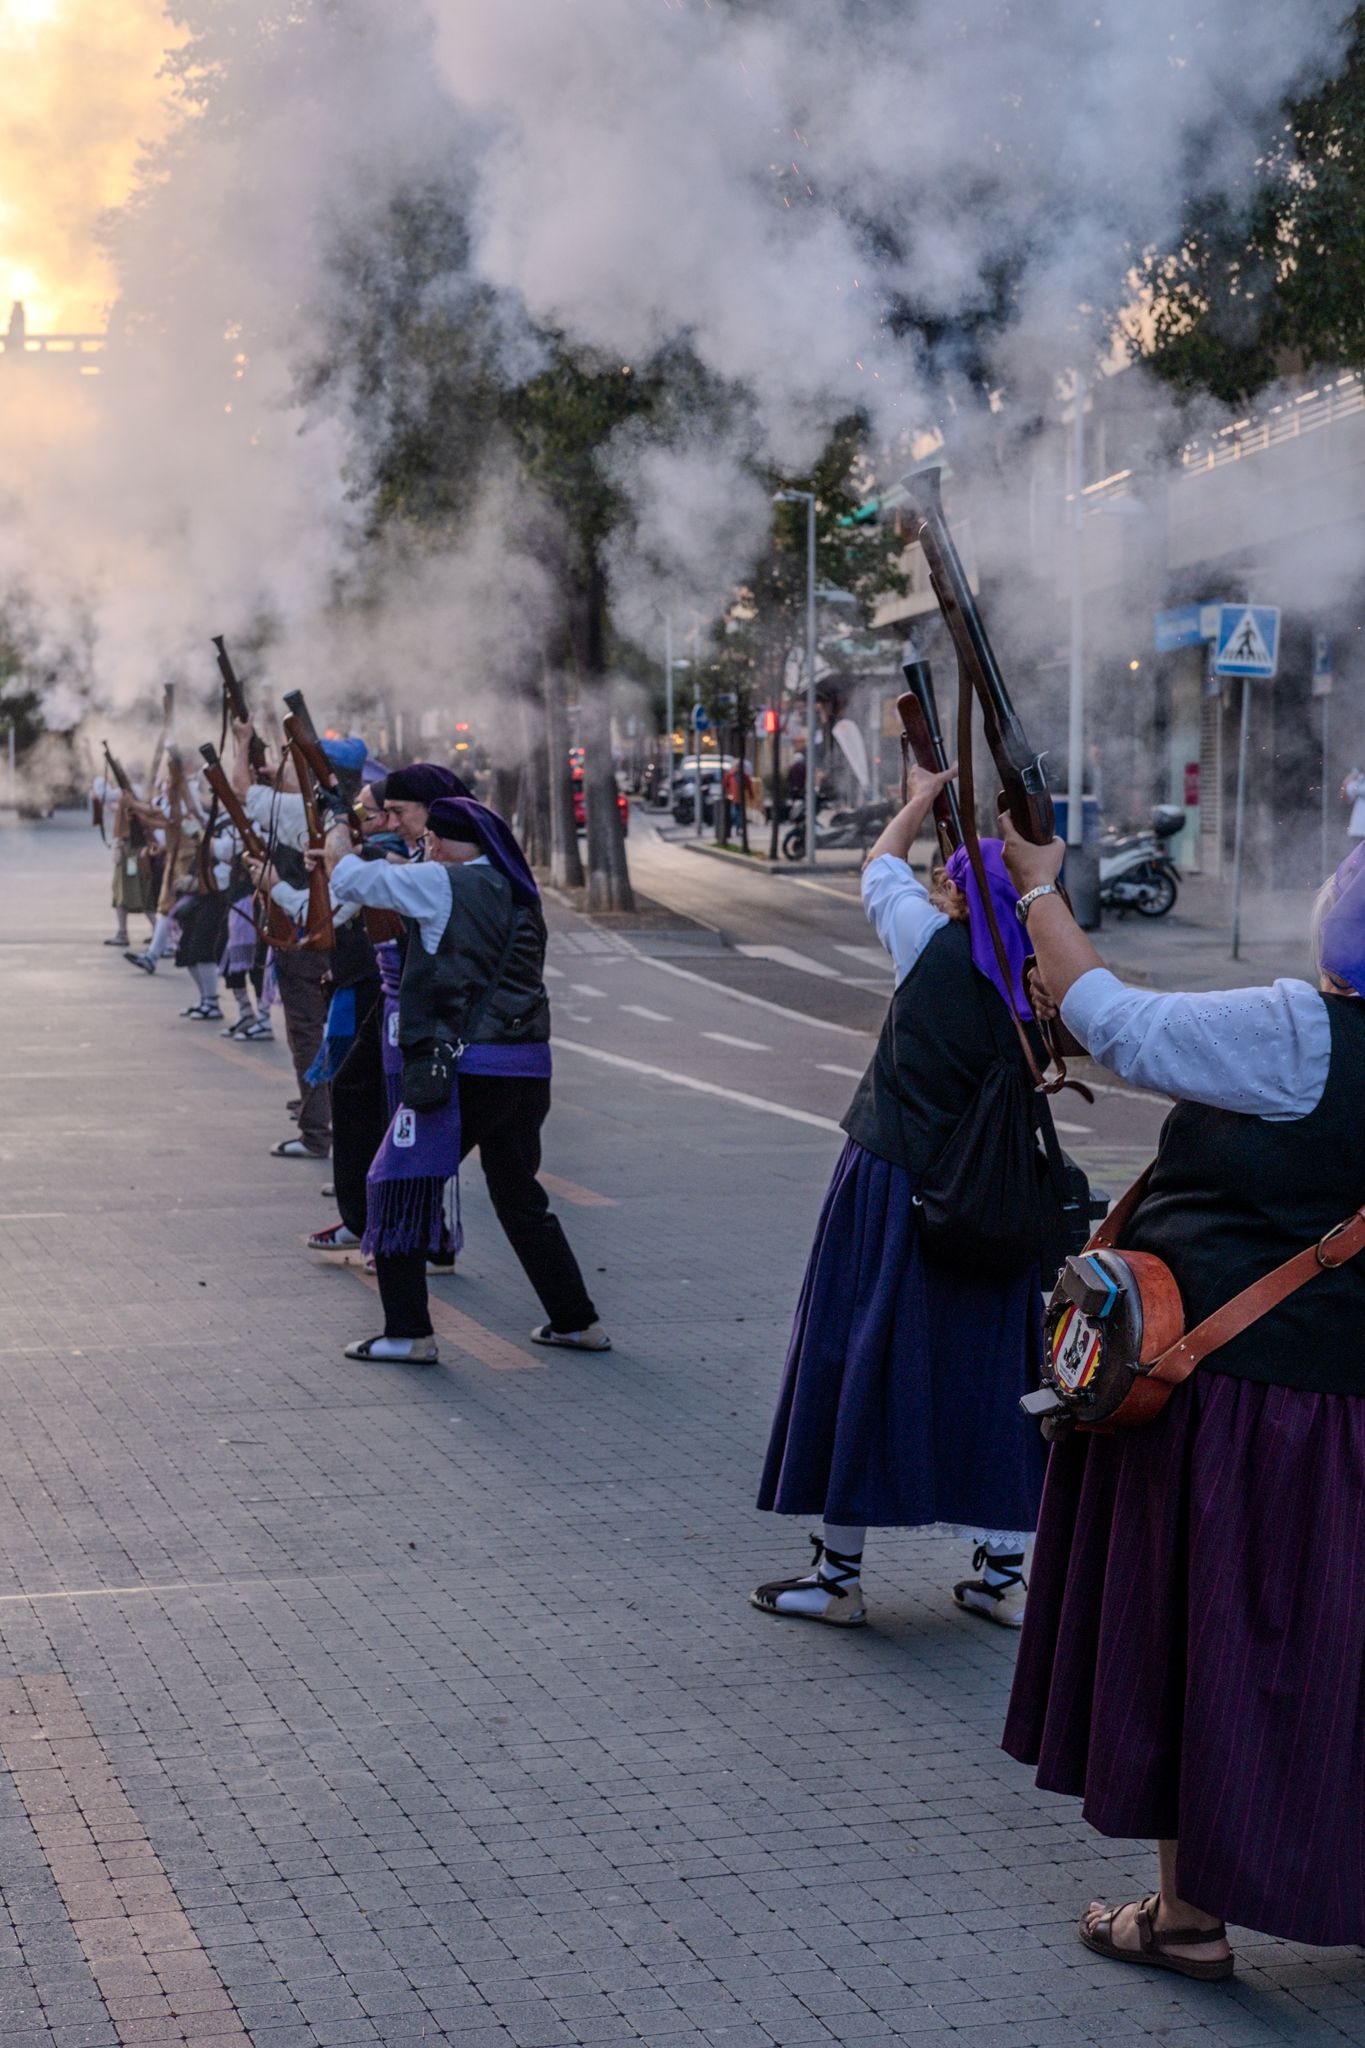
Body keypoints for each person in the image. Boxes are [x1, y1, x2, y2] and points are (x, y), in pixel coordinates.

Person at [1001, 823, 1365, 1978]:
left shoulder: (1301, 1032)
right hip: (1352, 1408)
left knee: (1204, 1645)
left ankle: (1187, 1918)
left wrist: (1040, 888)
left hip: (1242, 1408)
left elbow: (1120, 1025)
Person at [751, 766, 1047, 1630]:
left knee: (857, 1358)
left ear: (953, 894)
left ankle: (837, 1578)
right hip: (999, 1198)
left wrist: (919, 797)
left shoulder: (925, 941)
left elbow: (879, 867)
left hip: (890, 1183)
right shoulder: (1045, 977)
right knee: (995, 1372)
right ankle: (1003, 1579)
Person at [315, 793, 609, 1366]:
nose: (423, 849)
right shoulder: (516, 888)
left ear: (444, 843)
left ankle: (408, 1332)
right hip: (527, 1068)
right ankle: (577, 1321)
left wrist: (334, 830)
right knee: (519, 1197)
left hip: (462, 1068)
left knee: (396, 1184)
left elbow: (348, 879)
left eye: (427, 840)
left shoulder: (445, 883)